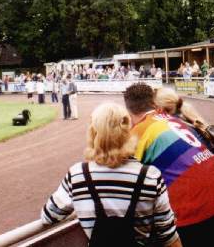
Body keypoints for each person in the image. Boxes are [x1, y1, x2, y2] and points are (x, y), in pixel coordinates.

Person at [41, 103, 181, 247]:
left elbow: (48, 216)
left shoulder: (77, 175)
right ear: (128, 132)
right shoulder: (150, 176)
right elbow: (168, 235)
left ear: (93, 133)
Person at [123, 83, 214, 247]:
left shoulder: (138, 133)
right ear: (152, 103)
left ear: (129, 112)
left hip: (196, 209)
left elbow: (122, 172)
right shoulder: (172, 118)